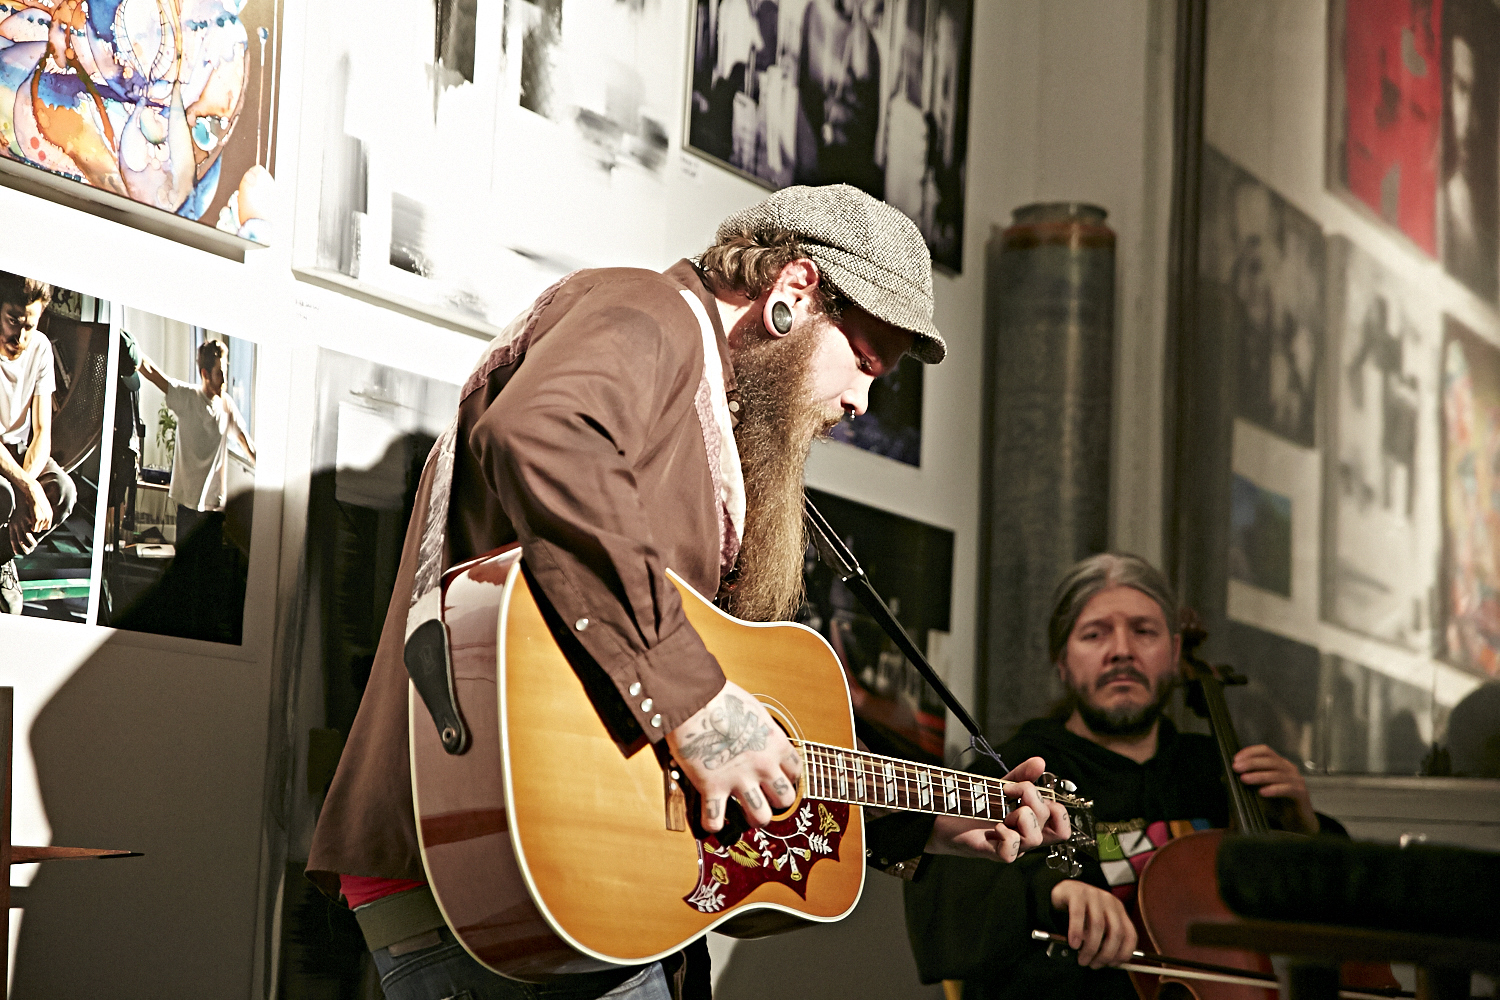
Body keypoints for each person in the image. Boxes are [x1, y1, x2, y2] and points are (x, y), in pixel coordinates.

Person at [306, 184, 1071, 1000]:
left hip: (574, 896)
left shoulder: (712, 424)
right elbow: (543, 432)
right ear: (795, 291)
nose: (860, 401)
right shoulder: (645, 310)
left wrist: (921, 819)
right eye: (864, 362)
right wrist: (698, 702)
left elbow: (702, 750)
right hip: (490, 871)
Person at [905, 553, 1341, 999]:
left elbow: (1337, 922)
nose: (1122, 651)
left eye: (1144, 631)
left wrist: (1305, 829)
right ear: (1062, 661)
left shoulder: (1219, 773)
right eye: (1095, 634)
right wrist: (1052, 892)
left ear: (1173, 654)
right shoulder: (1016, 771)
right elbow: (946, 887)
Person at [0, 272, 76, 615]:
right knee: (6, 495)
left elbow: (43, 429)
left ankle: (3, 557)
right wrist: (24, 488)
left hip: (20, 452)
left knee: (63, 490)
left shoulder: (41, 348)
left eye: (30, 324)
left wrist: (28, 485)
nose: (21, 335)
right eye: (13, 320)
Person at [137, 338, 255, 554]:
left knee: (208, 571)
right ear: (205, 374)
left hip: (214, 508)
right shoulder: (187, 397)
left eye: (225, 373)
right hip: (188, 506)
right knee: (185, 570)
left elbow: (245, 442)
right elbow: (151, 372)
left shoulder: (227, 405)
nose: (224, 380)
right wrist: (130, 346)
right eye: (220, 373)